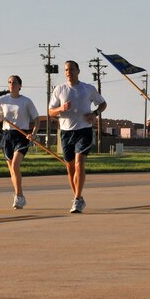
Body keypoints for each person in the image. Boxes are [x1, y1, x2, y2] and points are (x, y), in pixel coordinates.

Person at [48, 60, 106, 213]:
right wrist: (61, 108)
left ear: (78, 71)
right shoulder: (59, 89)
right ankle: (78, 198)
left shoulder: (87, 88)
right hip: (66, 132)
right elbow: (50, 112)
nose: (69, 72)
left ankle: (77, 199)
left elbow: (103, 104)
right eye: (66, 70)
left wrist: (94, 114)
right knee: (70, 168)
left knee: (80, 164)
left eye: (72, 69)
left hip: (84, 130)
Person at [0, 75, 40, 209]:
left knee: (15, 166)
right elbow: (0, 119)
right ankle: (19, 195)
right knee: (12, 171)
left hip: (22, 135)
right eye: (9, 82)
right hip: (7, 135)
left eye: (14, 82)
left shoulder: (26, 101)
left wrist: (33, 134)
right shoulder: (2, 100)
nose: (11, 84)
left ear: (20, 86)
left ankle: (18, 196)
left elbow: (36, 119)